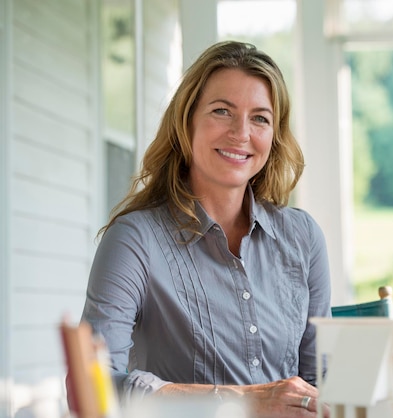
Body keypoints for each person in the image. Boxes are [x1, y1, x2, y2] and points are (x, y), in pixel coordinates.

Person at [81, 40, 332, 418]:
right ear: (187, 122)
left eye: (260, 118)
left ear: (274, 135)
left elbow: (320, 383)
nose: (241, 133)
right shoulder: (134, 239)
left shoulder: (303, 238)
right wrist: (242, 401)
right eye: (222, 111)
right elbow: (92, 388)